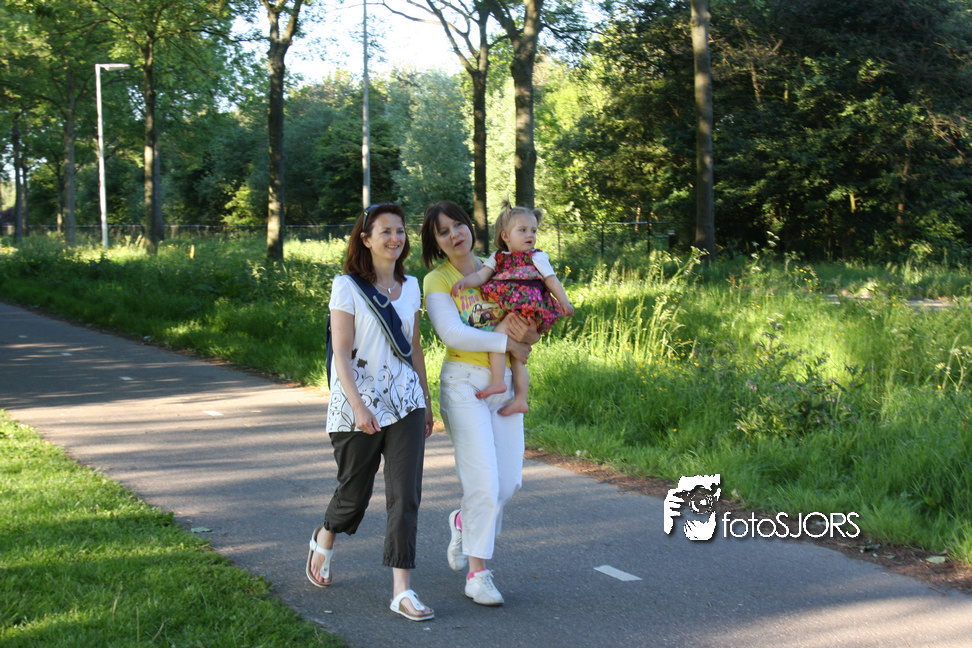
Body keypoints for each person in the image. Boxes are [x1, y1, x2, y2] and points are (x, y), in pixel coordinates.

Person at [306, 202, 436, 622]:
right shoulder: (346, 286)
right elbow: (342, 352)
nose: (395, 238)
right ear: (366, 239)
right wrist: (359, 406)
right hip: (357, 406)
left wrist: (426, 400)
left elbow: (414, 347)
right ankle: (326, 534)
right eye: (386, 231)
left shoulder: (411, 286)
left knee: (405, 496)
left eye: (400, 231)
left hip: (405, 403)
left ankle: (402, 590)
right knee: (353, 496)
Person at [421, 200, 540, 607]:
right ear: (436, 243)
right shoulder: (437, 280)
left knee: (508, 483)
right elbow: (452, 333)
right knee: (484, 485)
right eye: (443, 231)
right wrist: (506, 341)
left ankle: (462, 521)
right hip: (463, 385)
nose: (454, 234)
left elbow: (530, 325)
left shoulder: (501, 266)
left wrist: (527, 334)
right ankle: (478, 575)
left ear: (470, 227)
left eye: (458, 224)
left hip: (503, 383)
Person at [450, 200, 573, 415]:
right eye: (523, 230)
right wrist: (465, 282)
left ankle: (498, 382)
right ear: (506, 236)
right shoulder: (498, 257)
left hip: (528, 309)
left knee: (496, 338)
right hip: (515, 310)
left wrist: (564, 302)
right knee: (517, 358)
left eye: (533, 230)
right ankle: (520, 400)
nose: (530, 235)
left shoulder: (537, 256)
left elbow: (551, 280)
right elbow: (481, 276)